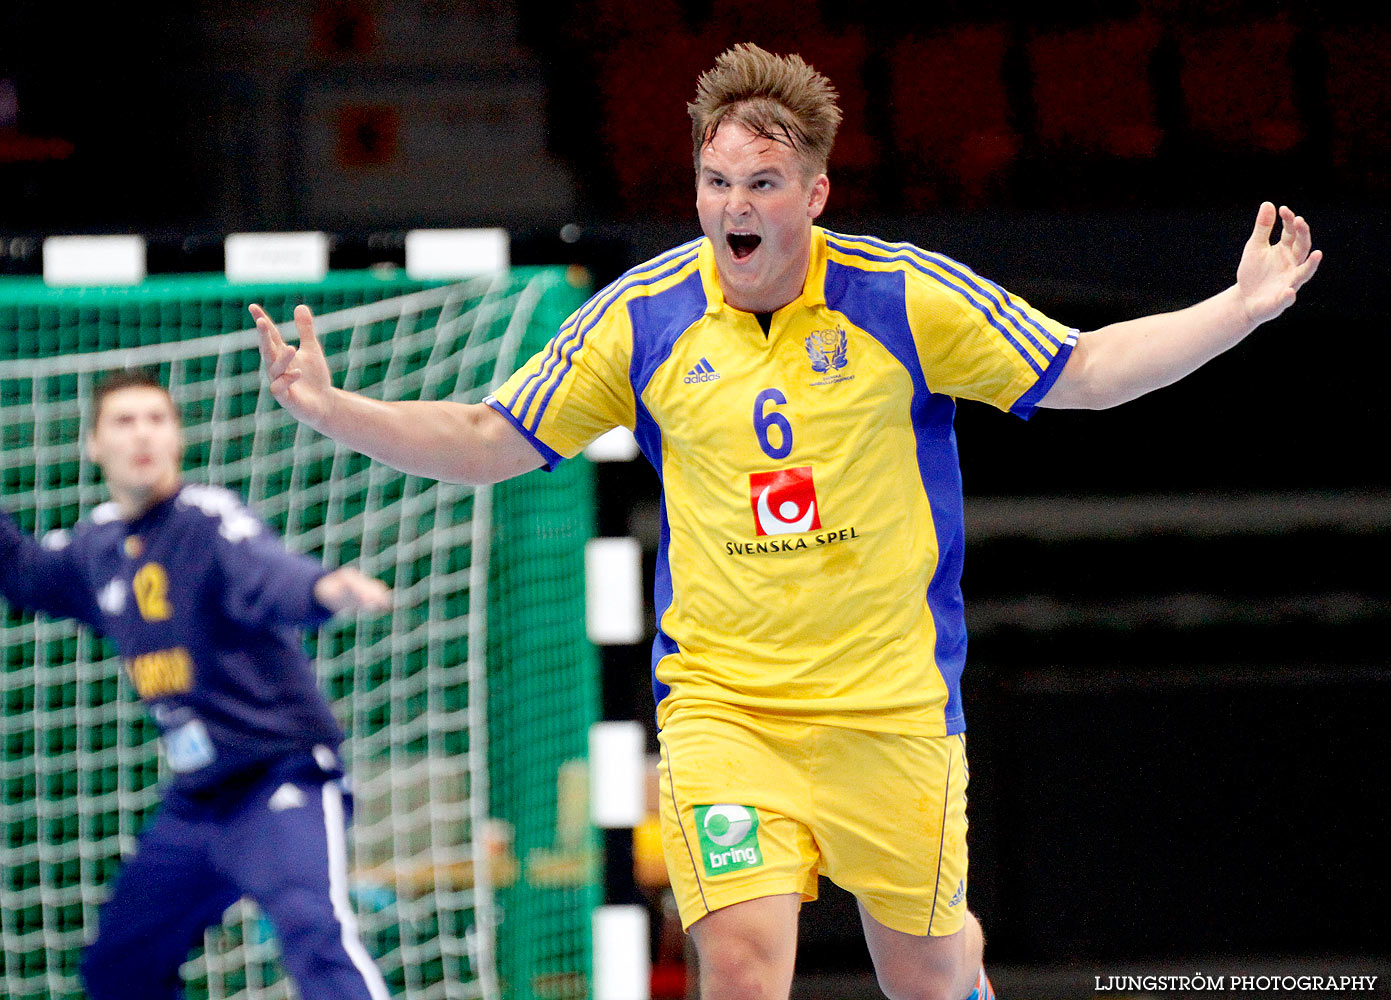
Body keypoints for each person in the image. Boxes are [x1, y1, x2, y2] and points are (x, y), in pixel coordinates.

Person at [252, 43, 1321, 1000]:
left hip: (889, 706)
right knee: (741, 966)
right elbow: (492, 438)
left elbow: (1081, 370)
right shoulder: (642, 314)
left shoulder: (904, 297)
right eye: (715, 182)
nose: (732, 207)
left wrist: (1236, 309)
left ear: (812, 192)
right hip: (726, 710)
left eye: (760, 183)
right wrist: (336, 410)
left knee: (927, 971)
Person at [0, 370, 395, 1000]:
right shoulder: (96, 545)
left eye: (157, 419)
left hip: (279, 778)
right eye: (124, 422)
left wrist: (324, 589)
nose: (143, 435)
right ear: (93, 445)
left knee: (313, 930)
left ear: (178, 436)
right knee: (118, 970)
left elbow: (270, 575)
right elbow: (22, 573)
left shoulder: (206, 522)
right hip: (197, 803)